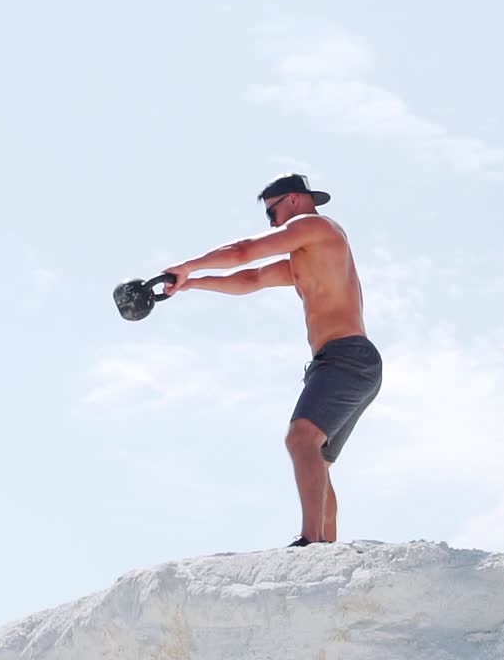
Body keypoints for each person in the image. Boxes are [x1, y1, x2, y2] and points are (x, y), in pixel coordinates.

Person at [161, 173, 383, 548]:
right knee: (316, 458)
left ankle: (310, 541)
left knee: (301, 438)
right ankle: (326, 552)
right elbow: (252, 278)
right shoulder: (307, 257)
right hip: (346, 363)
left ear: (293, 200)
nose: (273, 224)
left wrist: (187, 265)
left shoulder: (315, 226)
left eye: (272, 213)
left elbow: (244, 251)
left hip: (346, 357)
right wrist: (191, 283)